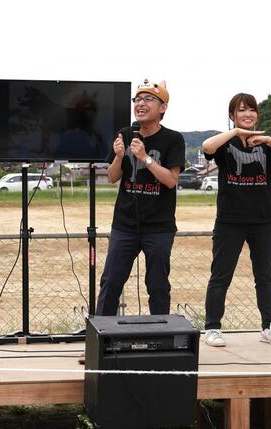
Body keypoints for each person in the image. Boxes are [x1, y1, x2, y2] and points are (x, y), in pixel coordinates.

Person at [201, 93, 271, 348]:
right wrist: (235, 133)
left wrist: (269, 139)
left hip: (263, 220)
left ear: (258, 114)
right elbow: (207, 148)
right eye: (241, 110)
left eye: (252, 110)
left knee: (265, 276)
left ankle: (270, 326)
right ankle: (212, 327)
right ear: (232, 115)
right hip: (230, 220)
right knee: (221, 275)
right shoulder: (225, 143)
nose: (247, 114)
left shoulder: (267, 145)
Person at [96, 79, 185, 317]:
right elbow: (114, 177)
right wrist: (118, 156)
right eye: (137, 100)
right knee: (111, 282)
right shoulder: (125, 134)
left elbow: (170, 180)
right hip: (124, 224)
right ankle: (99, 345)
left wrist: (145, 158)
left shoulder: (174, 139)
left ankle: (160, 338)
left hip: (159, 226)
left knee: (157, 285)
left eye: (148, 100)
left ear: (163, 107)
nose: (141, 104)